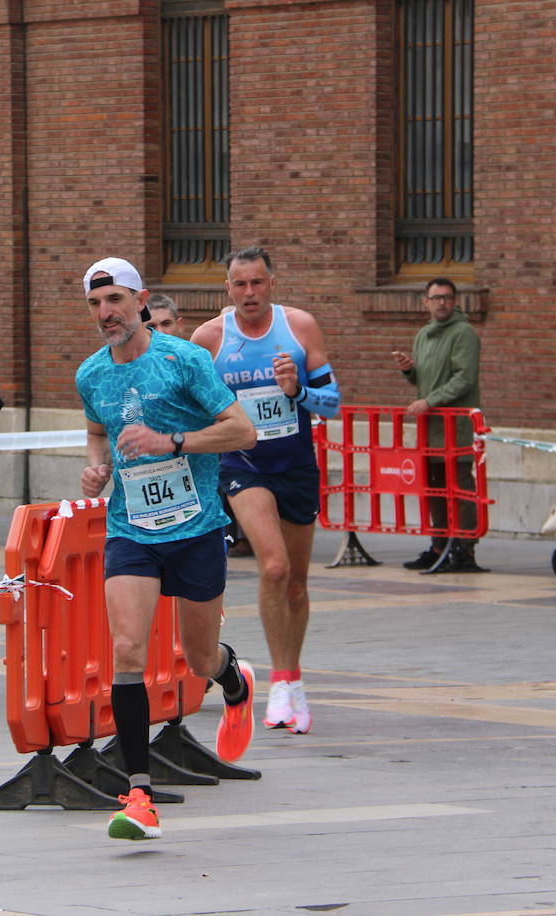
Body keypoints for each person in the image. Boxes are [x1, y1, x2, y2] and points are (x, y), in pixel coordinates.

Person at [75, 256, 257, 841]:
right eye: (96, 305)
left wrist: (172, 439)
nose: (106, 314)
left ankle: (234, 679)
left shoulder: (184, 360)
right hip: (130, 529)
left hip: (197, 526)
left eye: (115, 301)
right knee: (126, 649)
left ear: (141, 300)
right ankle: (138, 797)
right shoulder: (91, 375)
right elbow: (99, 429)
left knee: (197, 659)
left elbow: (242, 429)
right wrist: (97, 468)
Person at [190, 246, 340, 734]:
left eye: (257, 283)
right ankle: (277, 686)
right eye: (239, 285)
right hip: (241, 463)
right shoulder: (210, 338)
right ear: (227, 289)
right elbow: (192, 408)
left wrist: (297, 390)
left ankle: (292, 680)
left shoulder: (299, 327)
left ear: (271, 283)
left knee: (296, 581)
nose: (249, 293)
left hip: (295, 464)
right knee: (272, 566)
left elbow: (333, 403)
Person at [391, 277, 484, 573]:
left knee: (460, 488)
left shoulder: (464, 333)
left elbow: (463, 378)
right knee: (434, 489)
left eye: (447, 297)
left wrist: (430, 401)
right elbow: (425, 379)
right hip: (429, 429)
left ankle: (464, 549)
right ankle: (438, 546)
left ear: (455, 301)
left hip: (454, 427)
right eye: (436, 297)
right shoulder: (423, 335)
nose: (442, 302)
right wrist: (410, 370)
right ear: (426, 302)